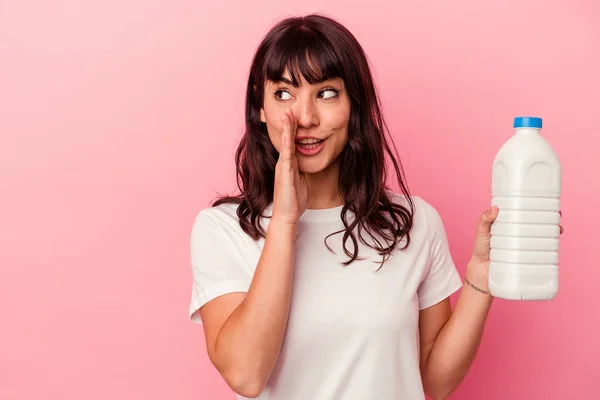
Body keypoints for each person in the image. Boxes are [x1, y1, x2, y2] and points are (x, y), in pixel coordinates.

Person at [188, 14, 561, 400]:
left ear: (355, 105)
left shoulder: (414, 223)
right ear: (259, 106)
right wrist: (284, 221)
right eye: (284, 94)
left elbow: (434, 380)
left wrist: (482, 276)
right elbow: (246, 375)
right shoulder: (223, 230)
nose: (306, 119)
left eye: (327, 93)